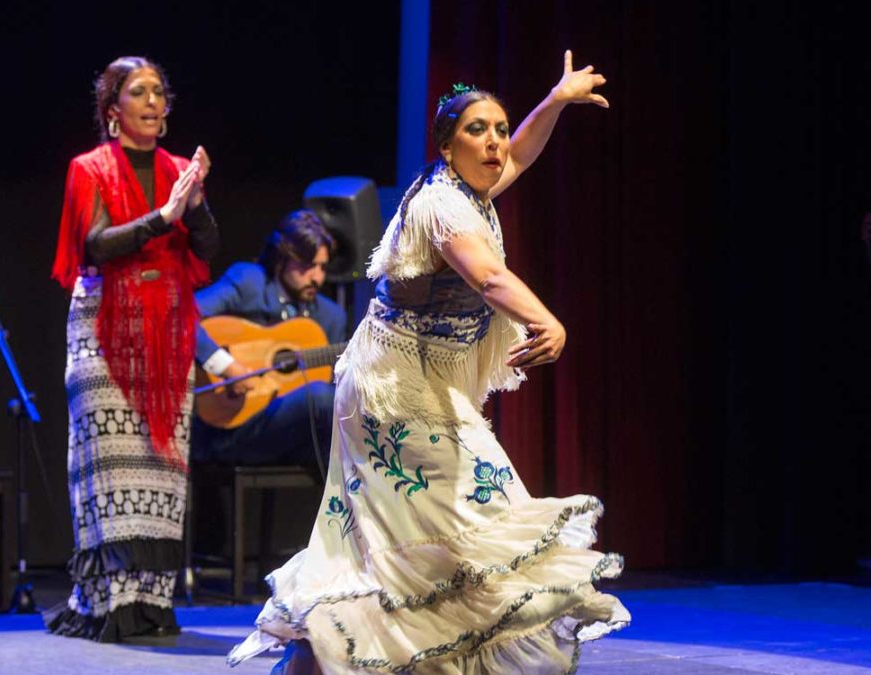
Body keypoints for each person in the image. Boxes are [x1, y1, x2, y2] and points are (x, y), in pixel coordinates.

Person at [228, 51, 630, 673]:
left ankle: (332, 658)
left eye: (499, 128)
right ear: (447, 147)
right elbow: (489, 276)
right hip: (393, 393)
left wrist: (553, 101)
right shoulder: (440, 205)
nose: (496, 142)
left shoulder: (475, 188)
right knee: (464, 524)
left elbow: (521, 155)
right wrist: (545, 318)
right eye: (478, 130)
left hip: (426, 387)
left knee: (396, 549)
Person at [45, 56, 218, 642]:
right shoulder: (88, 168)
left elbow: (207, 246)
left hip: (167, 335)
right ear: (112, 109)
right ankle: (105, 604)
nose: (152, 102)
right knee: (108, 470)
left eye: (159, 93)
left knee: (161, 469)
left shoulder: (177, 168)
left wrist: (192, 205)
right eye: (138, 93)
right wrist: (162, 216)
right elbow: (95, 245)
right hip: (103, 329)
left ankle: (150, 603)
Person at [192, 209, 348, 474]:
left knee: (340, 413)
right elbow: (185, 317)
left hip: (296, 440)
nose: (317, 277)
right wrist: (227, 366)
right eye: (307, 265)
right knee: (320, 397)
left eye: (322, 267)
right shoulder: (249, 283)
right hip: (233, 429)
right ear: (281, 259)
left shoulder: (331, 317)